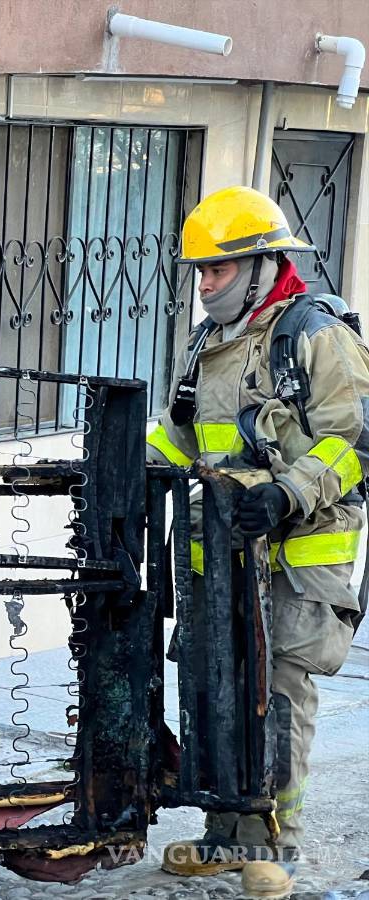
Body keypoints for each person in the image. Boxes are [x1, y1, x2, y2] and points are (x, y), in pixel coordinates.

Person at [147, 185, 368, 900]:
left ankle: (280, 847)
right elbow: (186, 445)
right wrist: (129, 460)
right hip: (223, 556)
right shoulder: (209, 344)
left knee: (279, 694)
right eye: (201, 272)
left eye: (218, 271)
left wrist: (285, 494)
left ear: (265, 266)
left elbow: (353, 445)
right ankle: (229, 836)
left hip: (298, 557)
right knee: (221, 690)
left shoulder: (316, 336)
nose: (205, 284)